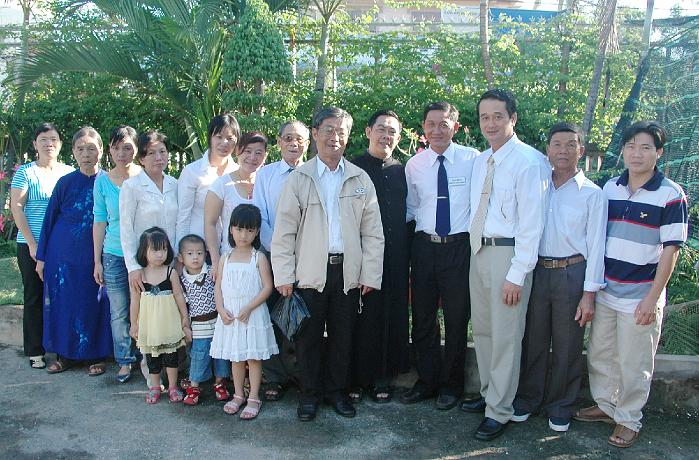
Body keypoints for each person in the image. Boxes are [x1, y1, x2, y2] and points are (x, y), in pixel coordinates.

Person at [574, 121, 688, 448]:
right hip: (607, 290)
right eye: (631, 146)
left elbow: (670, 252)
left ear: (659, 152)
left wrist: (653, 298)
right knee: (600, 354)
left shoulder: (671, 195)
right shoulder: (610, 188)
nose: (637, 154)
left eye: (646, 147)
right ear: (623, 150)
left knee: (634, 362)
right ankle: (606, 405)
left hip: (641, 294)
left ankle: (628, 418)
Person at [272, 107, 384, 421]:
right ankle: (309, 395)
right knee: (307, 339)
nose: (335, 137)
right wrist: (284, 275)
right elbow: (284, 231)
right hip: (309, 271)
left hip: (347, 272)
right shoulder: (300, 178)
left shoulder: (360, 178)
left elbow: (372, 232)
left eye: (341, 131)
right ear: (316, 133)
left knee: (342, 337)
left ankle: (336, 392)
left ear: (348, 136)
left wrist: (370, 273)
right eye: (329, 130)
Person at [462, 89, 549, 441]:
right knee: (483, 331)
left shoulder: (529, 162)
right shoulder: (482, 160)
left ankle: (499, 409)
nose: (490, 123)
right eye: (484, 117)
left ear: (513, 118)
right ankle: (488, 394)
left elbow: (532, 224)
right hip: (479, 252)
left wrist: (517, 274)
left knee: (506, 336)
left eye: (498, 116)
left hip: (509, 256)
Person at [511, 122, 607, 432]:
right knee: (533, 338)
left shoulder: (592, 194)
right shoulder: (536, 186)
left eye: (570, 144)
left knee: (568, 343)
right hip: (537, 270)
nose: (563, 150)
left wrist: (589, 294)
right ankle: (528, 398)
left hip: (572, 272)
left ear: (581, 150)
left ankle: (561, 404)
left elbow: (597, 247)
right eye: (556, 144)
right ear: (547, 150)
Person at [401, 102, 480, 410]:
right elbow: (411, 208)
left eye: (443, 124)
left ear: (455, 127)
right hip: (424, 247)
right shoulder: (414, 165)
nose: (436, 130)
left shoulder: (472, 160)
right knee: (422, 318)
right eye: (430, 124)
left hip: (460, 247)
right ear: (423, 127)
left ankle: (452, 385)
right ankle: (427, 380)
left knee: (457, 319)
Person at [35, 126, 113, 375]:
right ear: (73, 152)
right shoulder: (65, 183)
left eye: (91, 148)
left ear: (101, 150)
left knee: (96, 302)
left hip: (97, 255)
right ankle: (64, 355)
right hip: (63, 256)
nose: (86, 154)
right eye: (80, 149)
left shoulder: (109, 181)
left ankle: (97, 356)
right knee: (64, 304)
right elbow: (49, 220)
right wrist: (41, 257)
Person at [350, 110, 411, 403]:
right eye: (381, 129)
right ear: (368, 131)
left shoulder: (402, 171)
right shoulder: (353, 168)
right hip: (361, 254)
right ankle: (355, 377)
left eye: (392, 132)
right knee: (361, 316)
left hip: (396, 255)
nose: (386, 136)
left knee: (390, 315)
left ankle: (382, 377)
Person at [253, 120, 310, 401]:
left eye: (299, 139)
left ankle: (302, 374)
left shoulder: (314, 173)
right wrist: (279, 252)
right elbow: (260, 216)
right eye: (288, 138)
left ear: (307, 144)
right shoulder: (266, 175)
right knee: (273, 317)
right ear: (278, 142)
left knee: (303, 320)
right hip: (272, 256)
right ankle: (275, 377)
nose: (293, 143)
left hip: (308, 259)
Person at [10, 123, 74, 369]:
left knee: (62, 296)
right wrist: (33, 244)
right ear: (35, 144)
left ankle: (63, 349)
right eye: (44, 139)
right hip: (31, 244)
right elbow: (17, 208)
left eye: (54, 139)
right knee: (34, 297)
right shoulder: (26, 173)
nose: (49, 143)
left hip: (61, 246)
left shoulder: (68, 172)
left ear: (60, 144)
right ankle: (35, 350)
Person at [209, 204, 278, 420]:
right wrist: (220, 308)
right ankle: (238, 394)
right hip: (231, 316)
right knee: (236, 357)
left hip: (252, 315)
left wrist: (249, 307)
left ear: (256, 232)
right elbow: (218, 286)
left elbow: (267, 287)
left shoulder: (259, 258)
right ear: (231, 229)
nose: (243, 235)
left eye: (249, 230)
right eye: (239, 229)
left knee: (253, 357)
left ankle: (254, 397)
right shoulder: (225, 257)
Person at [93, 125, 143, 383]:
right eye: (116, 148)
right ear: (109, 150)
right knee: (119, 310)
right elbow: (100, 220)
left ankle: (149, 357)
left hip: (143, 255)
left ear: (136, 149)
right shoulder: (102, 181)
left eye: (127, 148)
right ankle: (124, 360)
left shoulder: (145, 176)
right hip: (113, 254)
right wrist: (97, 261)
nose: (121, 153)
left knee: (145, 307)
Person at [129, 227, 192, 404]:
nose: (160, 254)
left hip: (169, 323)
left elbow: (179, 296)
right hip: (150, 326)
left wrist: (184, 317)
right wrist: (134, 323)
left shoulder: (170, 272)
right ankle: (155, 387)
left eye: (163, 249)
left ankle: (173, 386)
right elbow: (135, 301)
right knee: (152, 359)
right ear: (144, 251)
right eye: (155, 250)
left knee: (172, 358)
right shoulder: (139, 275)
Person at [120, 131, 178, 292]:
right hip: (145, 264)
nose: (159, 157)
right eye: (151, 153)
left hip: (172, 263)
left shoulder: (175, 184)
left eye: (162, 151)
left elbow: (180, 222)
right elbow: (126, 228)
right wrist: (133, 267)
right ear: (141, 159)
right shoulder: (131, 186)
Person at [204, 132, 268, 280]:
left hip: (263, 261)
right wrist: (216, 261)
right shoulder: (222, 184)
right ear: (238, 151)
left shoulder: (268, 183)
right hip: (231, 260)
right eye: (247, 151)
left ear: (265, 156)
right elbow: (210, 223)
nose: (252, 157)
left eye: (258, 153)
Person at [178, 234, 232, 405]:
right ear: (181, 257)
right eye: (190, 253)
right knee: (199, 355)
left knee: (221, 355)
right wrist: (185, 326)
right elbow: (183, 305)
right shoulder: (182, 281)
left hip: (218, 323)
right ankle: (194, 386)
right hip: (198, 326)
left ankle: (220, 383)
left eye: (199, 253)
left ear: (206, 254)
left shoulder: (211, 272)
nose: (195, 257)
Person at [176, 114, 239, 249]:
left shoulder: (238, 172)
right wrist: (180, 252)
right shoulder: (192, 171)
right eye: (219, 137)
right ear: (210, 137)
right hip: (198, 250)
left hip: (231, 249)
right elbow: (183, 216)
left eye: (230, 138)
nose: (224, 143)